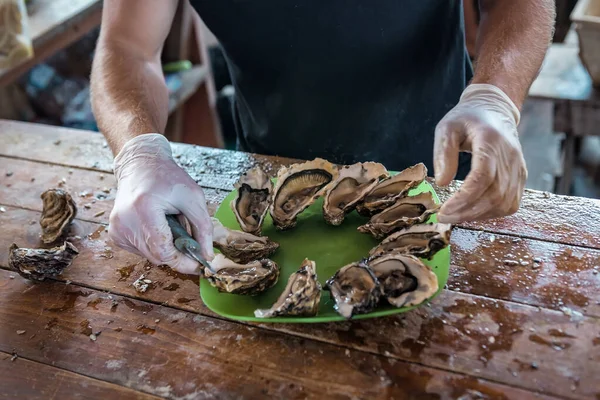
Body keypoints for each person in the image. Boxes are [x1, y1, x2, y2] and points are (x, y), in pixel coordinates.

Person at [91, 0, 555, 274]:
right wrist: (139, 153)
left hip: (441, 168)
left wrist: (495, 96)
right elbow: (127, 47)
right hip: (269, 182)